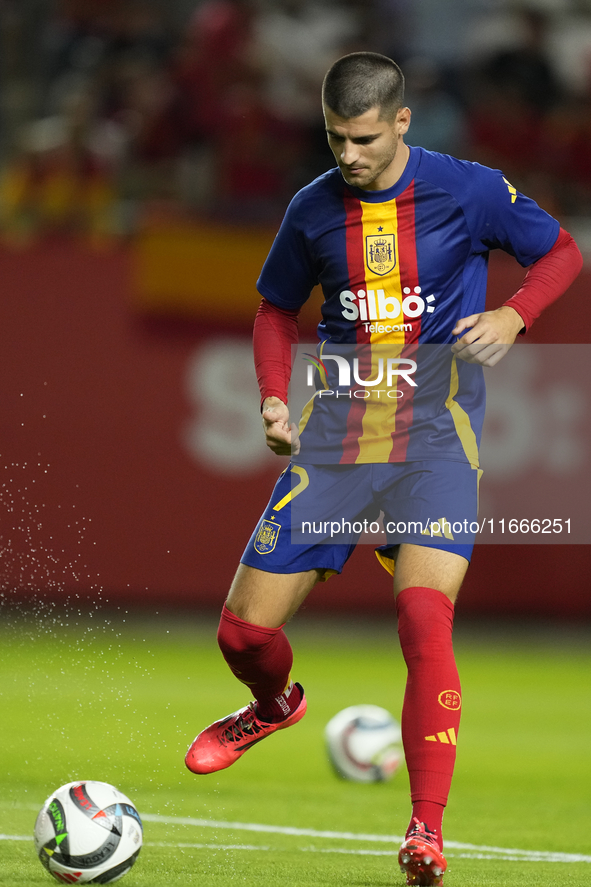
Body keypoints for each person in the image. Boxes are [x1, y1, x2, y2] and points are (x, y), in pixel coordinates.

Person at [185, 52, 582, 886]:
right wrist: (269, 398)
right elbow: (273, 308)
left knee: (423, 621)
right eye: (334, 138)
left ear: (402, 122)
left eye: (362, 138)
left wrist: (514, 314)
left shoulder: (467, 189)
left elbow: (559, 254)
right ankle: (271, 708)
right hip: (334, 438)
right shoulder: (311, 209)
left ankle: (424, 832)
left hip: (438, 438)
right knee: (242, 634)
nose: (347, 156)